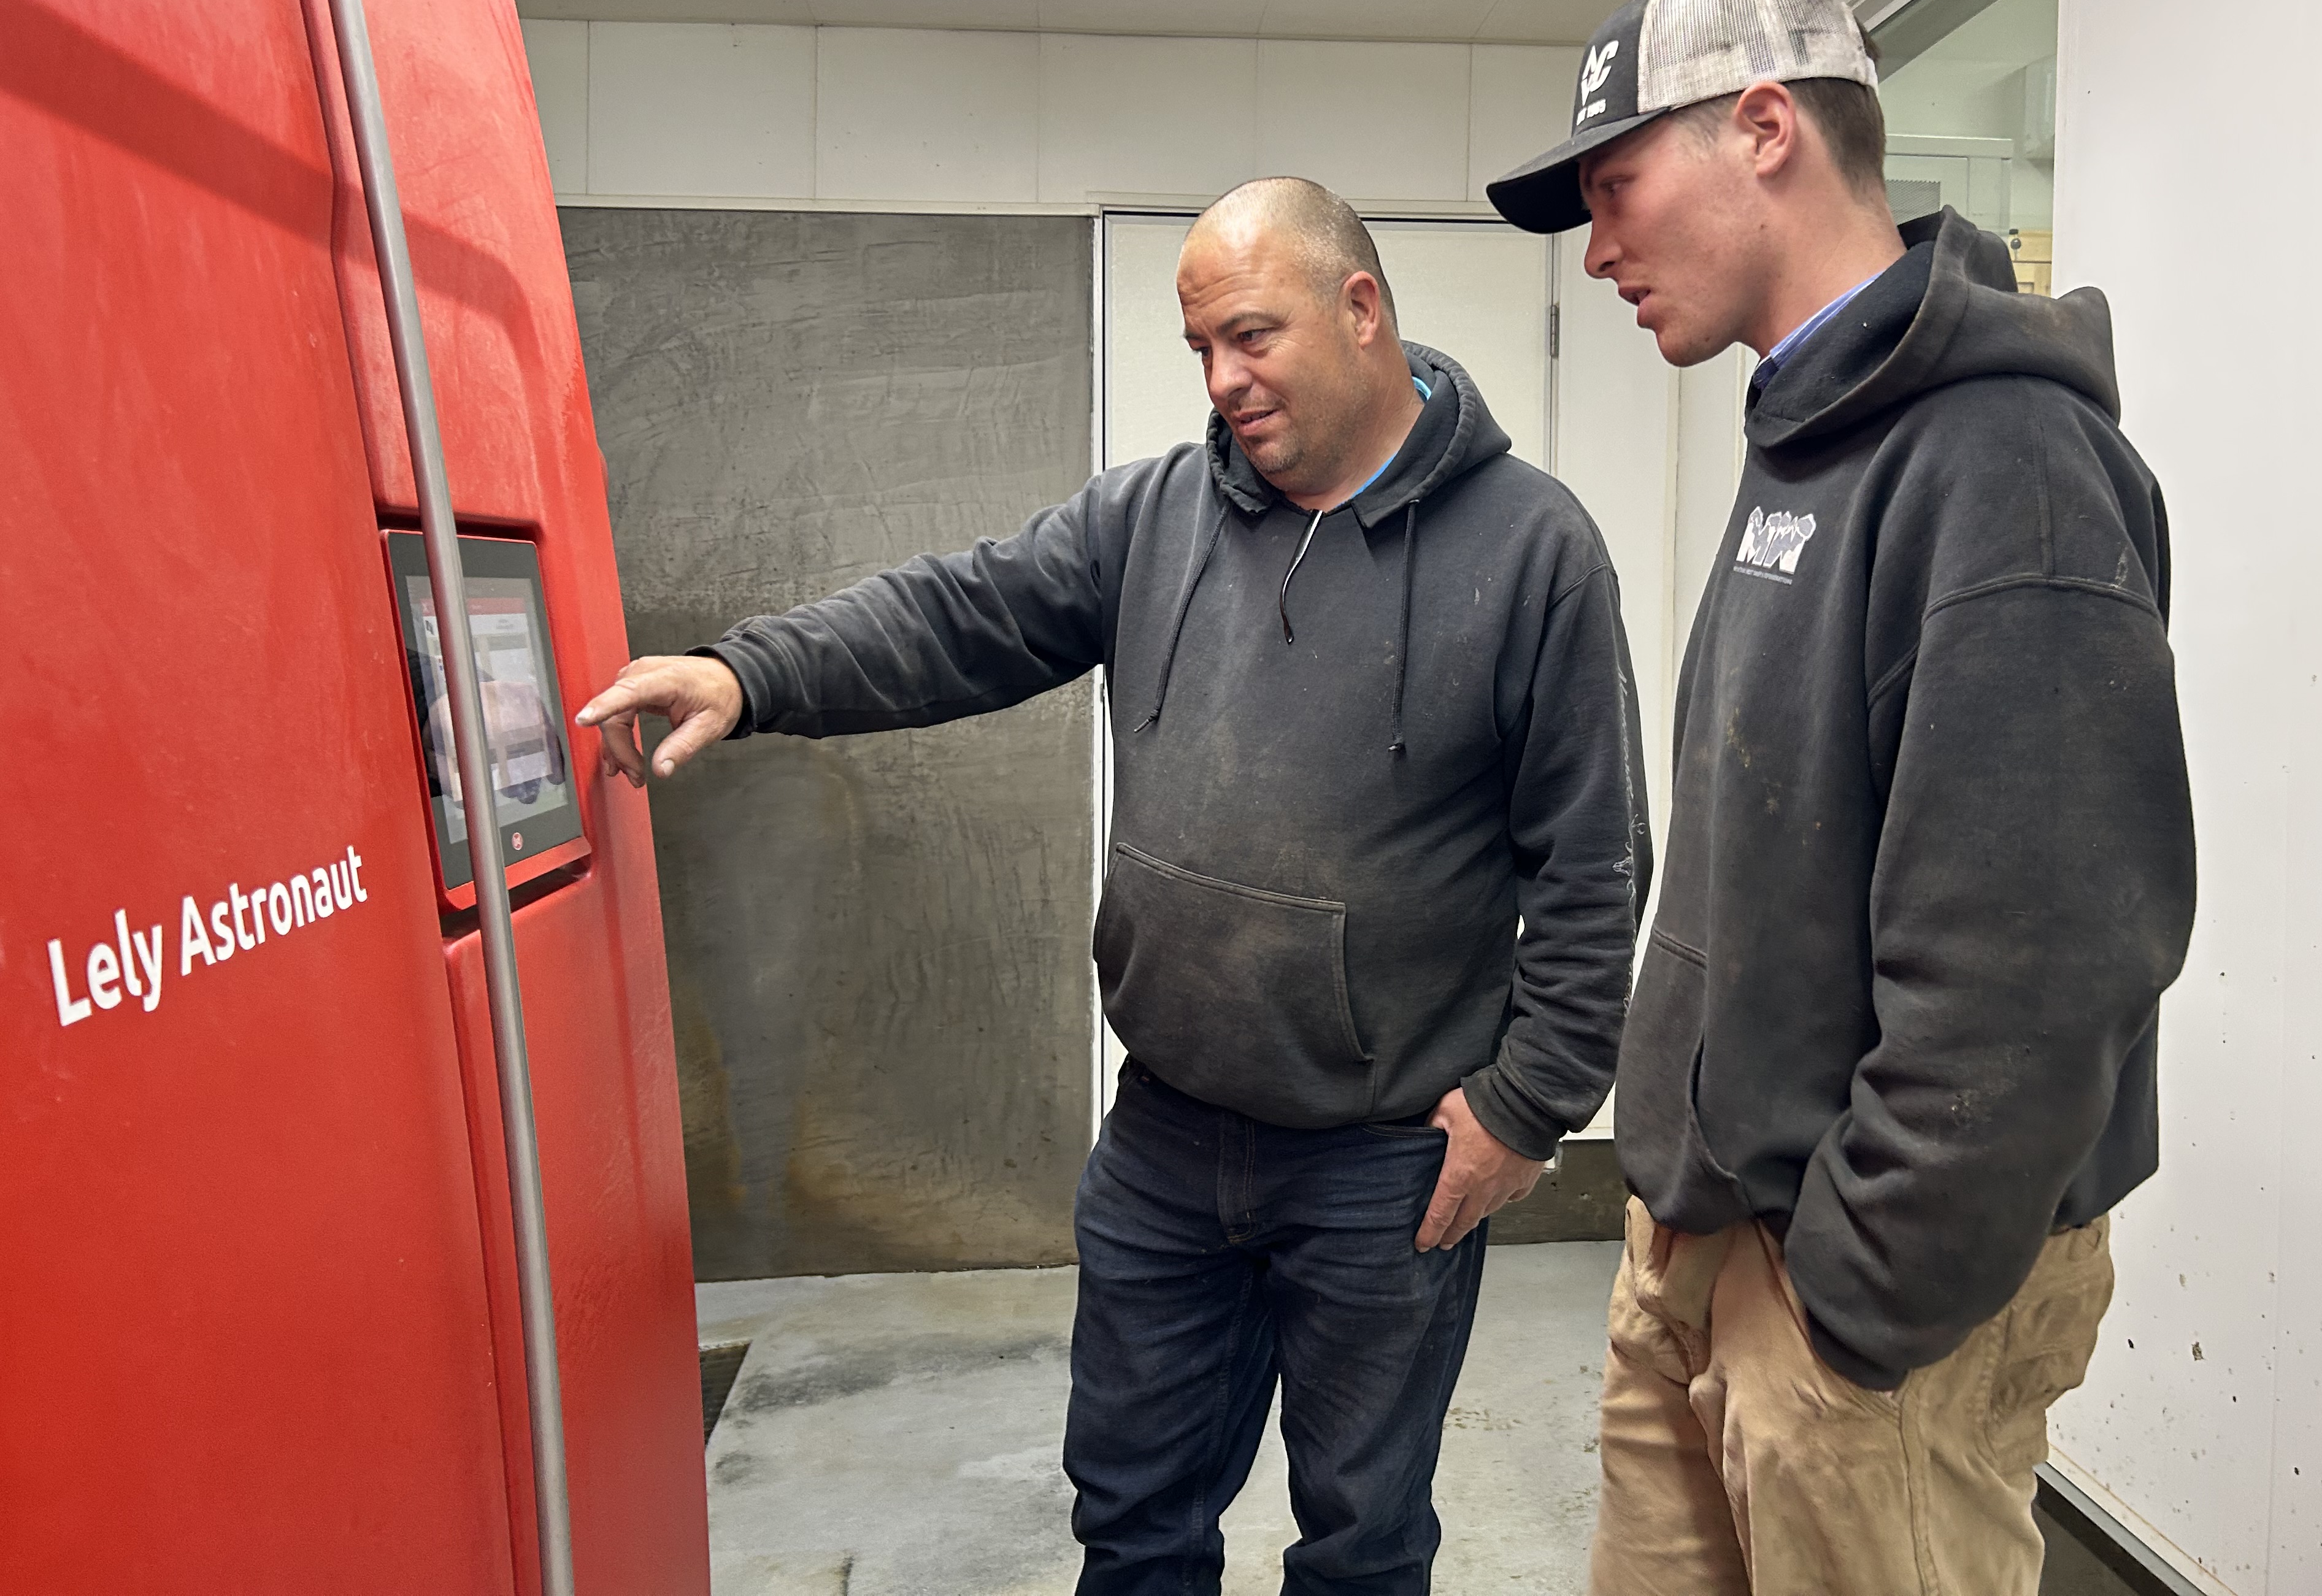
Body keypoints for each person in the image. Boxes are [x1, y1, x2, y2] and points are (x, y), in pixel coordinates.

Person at [577, 176, 1651, 1595]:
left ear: (1362, 309)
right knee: (1133, 1522)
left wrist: (1528, 1108)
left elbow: (1593, 861)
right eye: (1200, 346)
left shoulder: (1531, 550)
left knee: (1363, 1541)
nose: (1223, 381)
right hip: (1167, 1140)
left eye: (1252, 336)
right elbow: (958, 614)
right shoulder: (1153, 518)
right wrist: (750, 672)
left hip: (1385, 1161)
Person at [1488, 0, 2197, 1595]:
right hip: (1707, 1240)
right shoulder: (1808, 435)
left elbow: (2039, 971)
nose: (1594, 248)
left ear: (1763, 129)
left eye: (1615, 188)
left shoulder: (2006, 465)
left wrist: (1846, 1312)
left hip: (1858, 1311)